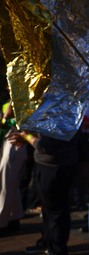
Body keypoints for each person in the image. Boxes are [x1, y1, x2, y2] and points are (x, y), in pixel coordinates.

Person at [7, 130, 81, 255]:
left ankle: (57, 249)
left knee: (57, 211)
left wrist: (27, 137)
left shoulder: (58, 114)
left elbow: (43, 146)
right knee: (49, 209)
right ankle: (48, 242)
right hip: (56, 164)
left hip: (54, 166)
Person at [0, 98, 27, 236]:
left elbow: (7, 115)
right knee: (11, 183)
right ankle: (14, 219)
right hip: (8, 138)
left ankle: (2, 222)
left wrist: (14, 96)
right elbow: (4, 119)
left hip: (16, 140)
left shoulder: (23, 97)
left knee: (6, 183)